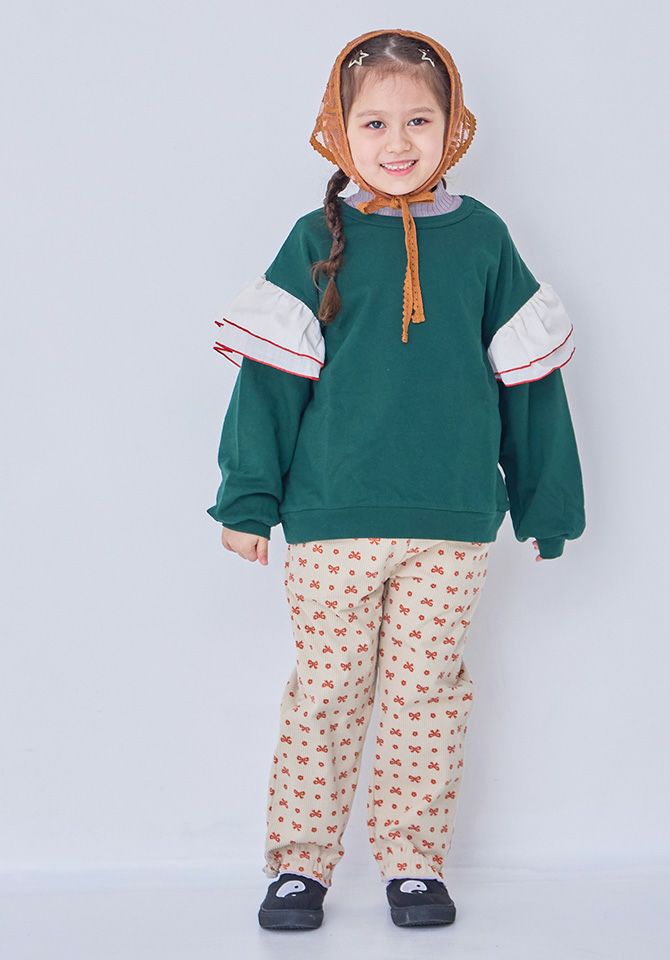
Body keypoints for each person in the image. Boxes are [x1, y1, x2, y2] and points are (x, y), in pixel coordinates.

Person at [207, 27, 585, 930]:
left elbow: (530, 382)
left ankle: (413, 863)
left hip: (452, 521)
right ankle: (300, 867)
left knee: (426, 695)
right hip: (331, 519)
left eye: (419, 119)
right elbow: (270, 383)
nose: (399, 141)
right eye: (373, 123)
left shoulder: (484, 239)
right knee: (328, 692)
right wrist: (249, 501)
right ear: (339, 132)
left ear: (453, 126)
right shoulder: (315, 239)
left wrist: (546, 503)